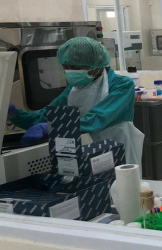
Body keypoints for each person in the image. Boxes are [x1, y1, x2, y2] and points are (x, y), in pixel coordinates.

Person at [7, 37, 144, 166]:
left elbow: (97, 119)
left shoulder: (121, 85)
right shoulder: (73, 89)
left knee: (122, 181)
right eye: (66, 67)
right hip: (84, 148)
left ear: (95, 65)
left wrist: (51, 127)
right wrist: (15, 114)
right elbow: (46, 115)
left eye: (76, 68)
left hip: (118, 147)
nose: (69, 72)